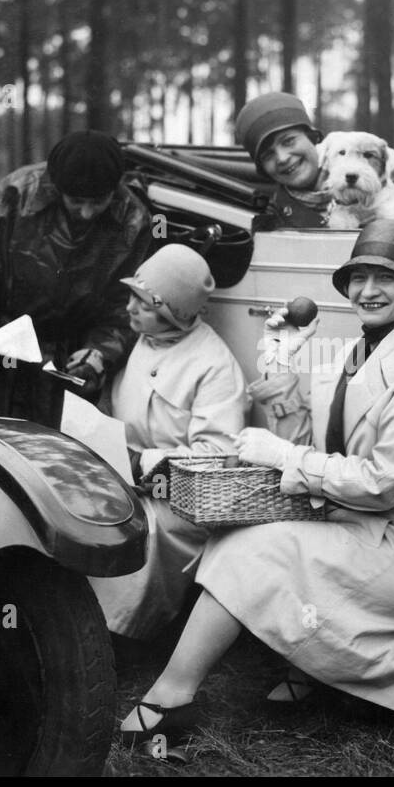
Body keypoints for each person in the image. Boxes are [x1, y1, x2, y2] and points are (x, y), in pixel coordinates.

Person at [117, 220, 394, 744]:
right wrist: (283, 370)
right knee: (237, 540)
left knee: (252, 553)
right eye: (359, 278)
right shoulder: (354, 353)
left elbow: (385, 484)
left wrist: (285, 453)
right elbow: (318, 449)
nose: (368, 291)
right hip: (367, 524)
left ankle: (170, 699)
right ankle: (305, 669)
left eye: (386, 279)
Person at [0, 130, 153, 429]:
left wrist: (99, 354)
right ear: (57, 188)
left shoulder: (132, 219)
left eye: (98, 202)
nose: (86, 214)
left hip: (73, 367)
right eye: (76, 201)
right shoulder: (16, 195)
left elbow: (124, 307)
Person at [88, 243, 249, 640]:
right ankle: (78, 615)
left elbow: (218, 459)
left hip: (177, 496)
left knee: (141, 530)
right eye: (131, 297)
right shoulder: (141, 338)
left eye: (143, 304)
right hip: (122, 469)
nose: (129, 309)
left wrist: (142, 462)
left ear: (172, 314)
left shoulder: (213, 365)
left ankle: (118, 633)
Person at [234, 92, 394, 227]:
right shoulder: (280, 215)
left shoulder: (384, 171)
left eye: (288, 141)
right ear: (263, 168)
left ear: (313, 139)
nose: (282, 158)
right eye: (268, 155)